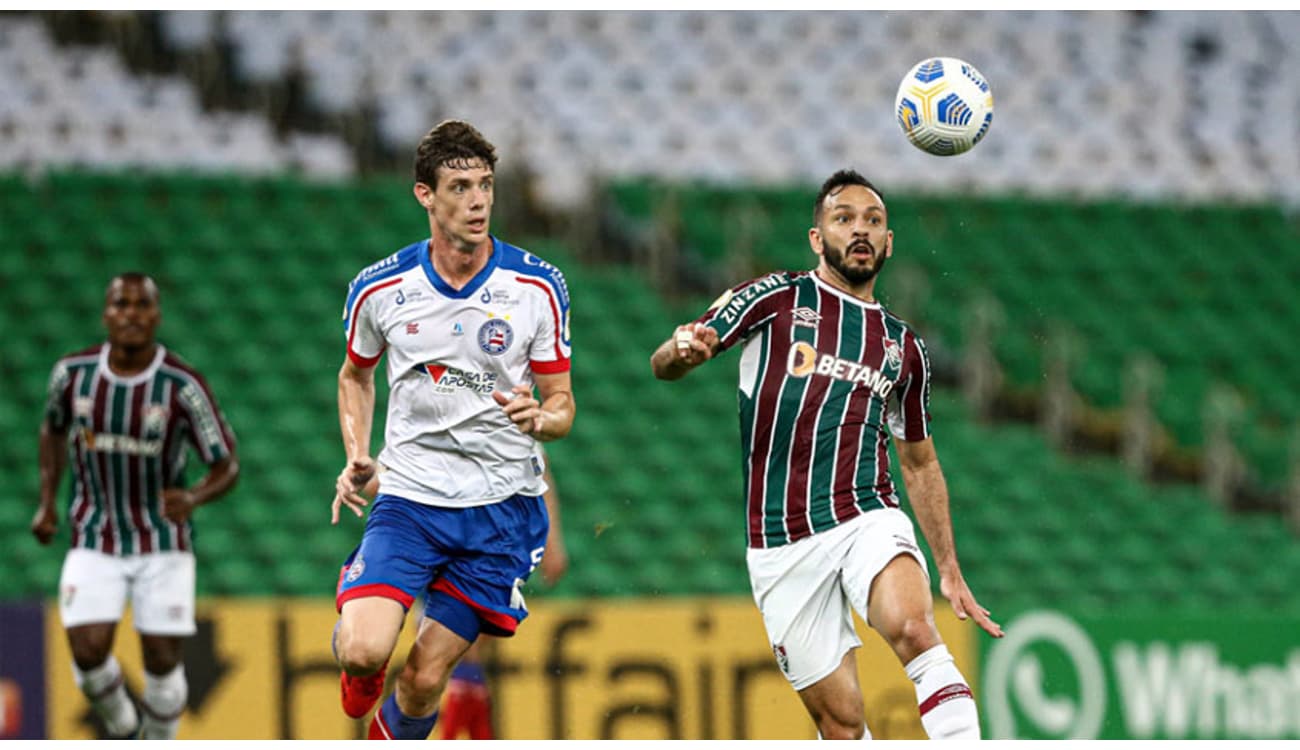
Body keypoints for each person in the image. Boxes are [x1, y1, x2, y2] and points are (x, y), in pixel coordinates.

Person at [650, 170, 1004, 740]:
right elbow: (665, 361)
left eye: (873, 221)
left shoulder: (902, 347)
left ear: (889, 243)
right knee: (841, 723)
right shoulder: (776, 298)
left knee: (914, 629)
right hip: (778, 541)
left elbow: (918, 461)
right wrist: (683, 349)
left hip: (866, 513)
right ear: (817, 237)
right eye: (844, 219)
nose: (859, 230)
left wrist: (949, 566)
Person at [329, 119, 574, 741]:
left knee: (422, 681)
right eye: (460, 187)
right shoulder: (381, 288)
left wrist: (542, 419)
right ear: (425, 195)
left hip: (498, 509)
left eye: (486, 185)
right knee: (363, 653)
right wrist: (358, 453)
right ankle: (361, 644)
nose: (478, 201)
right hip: (410, 497)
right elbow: (355, 376)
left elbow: (562, 403)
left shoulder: (537, 287)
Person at [31, 272, 239, 740]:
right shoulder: (73, 374)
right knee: (86, 651)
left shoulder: (181, 386)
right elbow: (52, 429)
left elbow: (226, 464)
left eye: (141, 305)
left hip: (161, 539)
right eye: (121, 304)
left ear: (156, 315)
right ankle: (125, 728)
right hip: (94, 532)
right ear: (106, 313)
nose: (131, 314)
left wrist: (193, 496)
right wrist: (47, 501)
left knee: (162, 660)